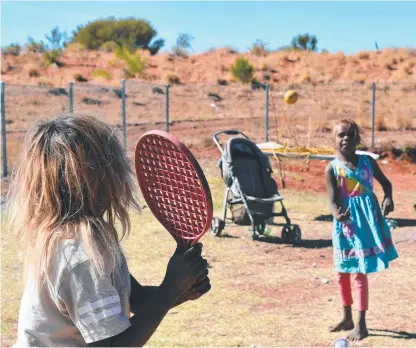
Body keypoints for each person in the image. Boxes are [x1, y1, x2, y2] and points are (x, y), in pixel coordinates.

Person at [8, 114, 211, 347]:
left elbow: (134, 298)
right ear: (94, 179)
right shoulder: (79, 256)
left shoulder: (89, 239)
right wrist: (169, 289)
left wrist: (179, 290)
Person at [325, 119, 398, 341]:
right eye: (341, 135)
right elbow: (332, 201)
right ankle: (346, 316)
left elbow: (386, 184)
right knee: (342, 271)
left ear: (358, 139)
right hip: (345, 227)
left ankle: (361, 323)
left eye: (350, 134)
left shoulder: (368, 162)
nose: (345, 138)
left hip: (366, 225)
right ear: (334, 140)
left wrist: (388, 198)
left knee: (360, 271)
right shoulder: (332, 168)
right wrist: (338, 214)